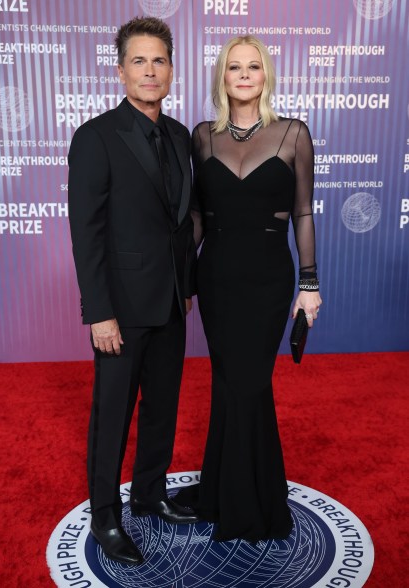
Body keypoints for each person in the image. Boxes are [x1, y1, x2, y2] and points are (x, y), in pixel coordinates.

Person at [178, 35, 322, 542]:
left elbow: (302, 213)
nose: (244, 75)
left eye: (253, 67)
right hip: (215, 275)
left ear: (266, 75)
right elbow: (197, 215)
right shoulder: (201, 137)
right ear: (222, 76)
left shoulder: (294, 135)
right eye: (234, 67)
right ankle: (224, 490)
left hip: (267, 278)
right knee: (227, 382)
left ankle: (245, 499)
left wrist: (309, 284)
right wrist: (180, 275)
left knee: (250, 381)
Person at [68, 16, 198, 566]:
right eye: (139, 61)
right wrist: (99, 313)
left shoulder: (178, 135)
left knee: (162, 407)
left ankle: (149, 494)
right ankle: (105, 515)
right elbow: (86, 232)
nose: (150, 71)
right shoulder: (96, 136)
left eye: (159, 60)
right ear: (120, 70)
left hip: (172, 301)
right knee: (113, 412)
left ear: (172, 69)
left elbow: (182, 219)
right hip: (119, 308)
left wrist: (186, 286)